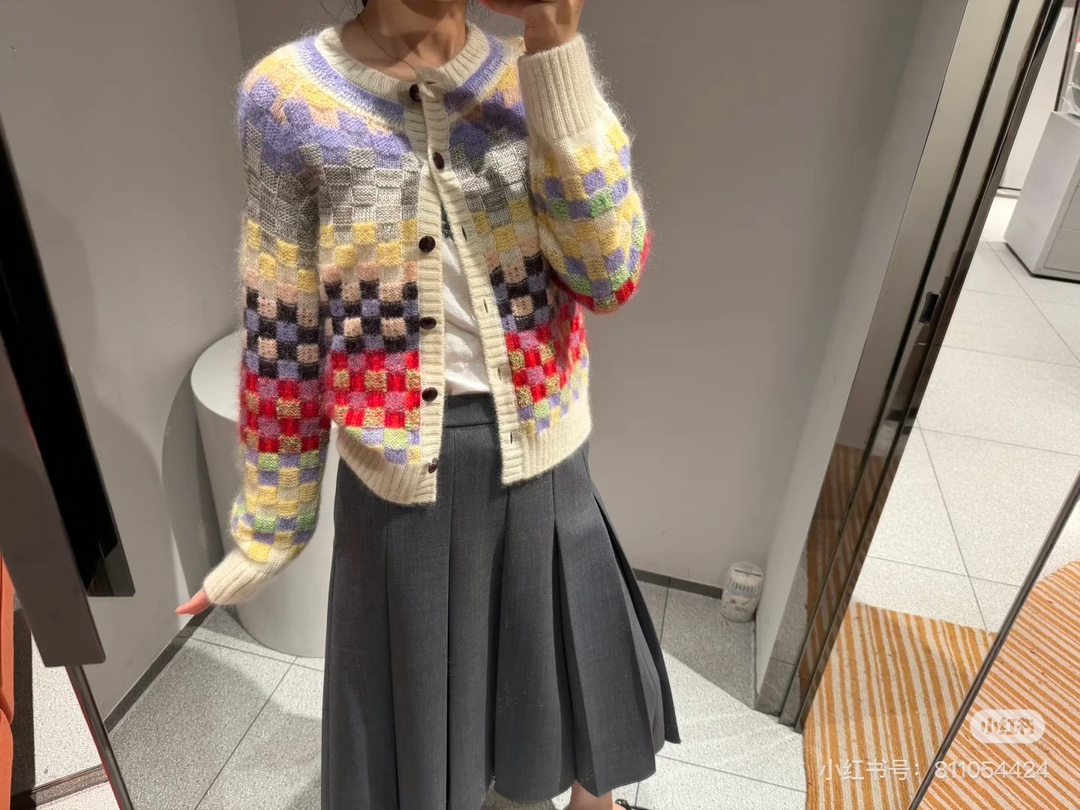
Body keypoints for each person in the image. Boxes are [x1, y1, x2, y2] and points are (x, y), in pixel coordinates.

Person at [177, 0, 678, 807]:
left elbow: (608, 273)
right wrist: (272, 522)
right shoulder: (288, 99)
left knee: (572, 692)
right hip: (399, 488)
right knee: (420, 742)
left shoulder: (527, 74)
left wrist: (556, 44)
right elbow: (284, 324)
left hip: (543, 457)